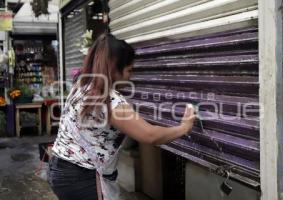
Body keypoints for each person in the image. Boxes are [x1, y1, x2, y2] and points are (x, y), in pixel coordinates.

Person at [48, 33, 196, 200]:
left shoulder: (81, 87)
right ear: (113, 67)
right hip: (81, 177)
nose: (130, 77)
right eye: (129, 70)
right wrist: (184, 127)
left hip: (59, 169)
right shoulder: (109, 100)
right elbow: (150, 135)